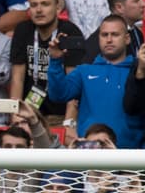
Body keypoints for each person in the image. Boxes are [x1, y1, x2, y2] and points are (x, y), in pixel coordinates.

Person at [48, 15, 143, 148]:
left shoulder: (139, 71)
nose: (109, 40)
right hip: (90, 154)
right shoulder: (84, 71)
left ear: (127, 39)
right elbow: (58, 95)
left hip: (130, 158)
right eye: (104, 35)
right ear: (98, 38)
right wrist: (55, 61)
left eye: (115, 34)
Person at [7, 0, 83, 122]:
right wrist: (15, 117)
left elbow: (73, 82)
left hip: (60, 115)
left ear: (57, 8)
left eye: (45, 4)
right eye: (34, 5)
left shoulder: (70, 32)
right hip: (29, 113)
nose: (39, 10)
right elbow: (17, 78)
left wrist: (68, 123)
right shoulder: (22, 30)